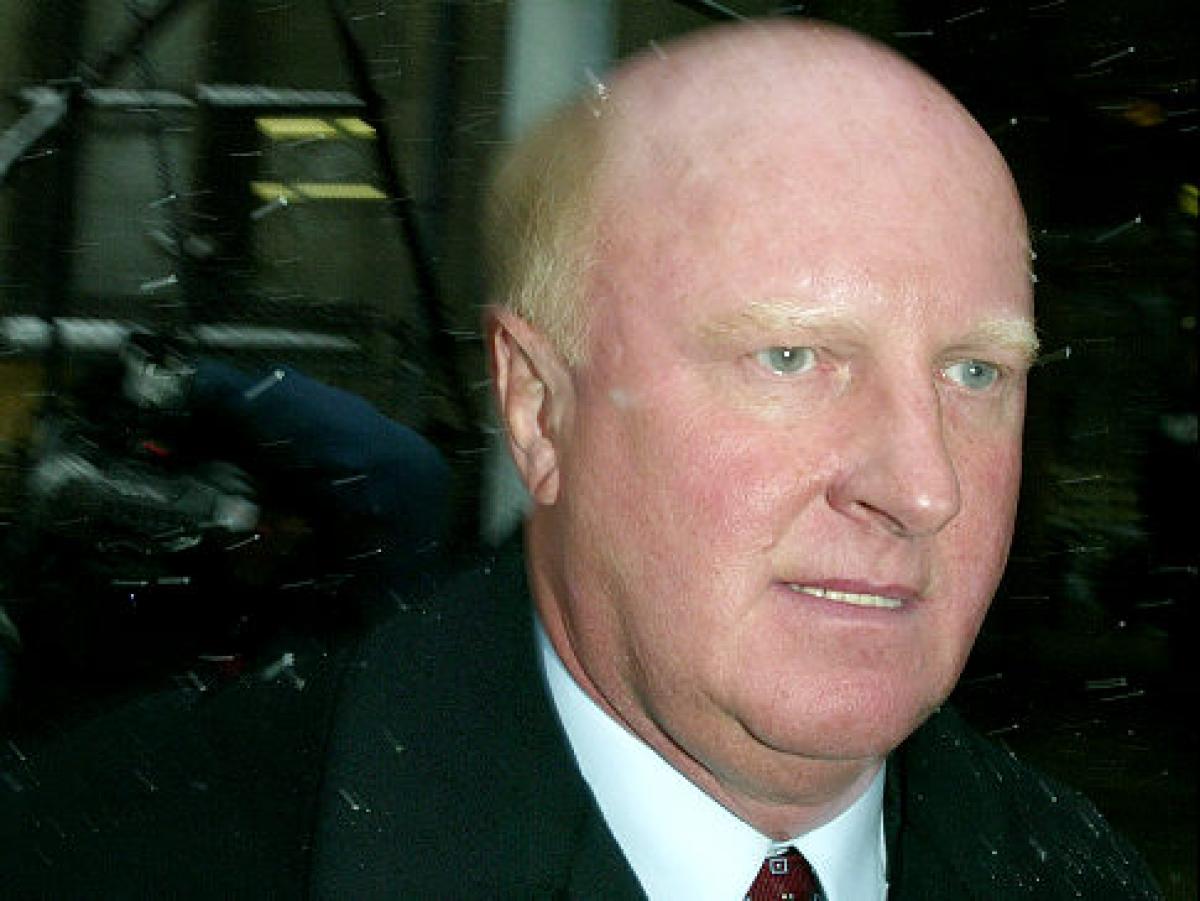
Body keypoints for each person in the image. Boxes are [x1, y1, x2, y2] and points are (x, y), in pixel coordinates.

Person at [0, 18, 1162, 899]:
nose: (923, 486)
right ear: (540, 409)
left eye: (977, 373)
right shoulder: (113, 855)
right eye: (792, 356)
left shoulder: (1081, 870)